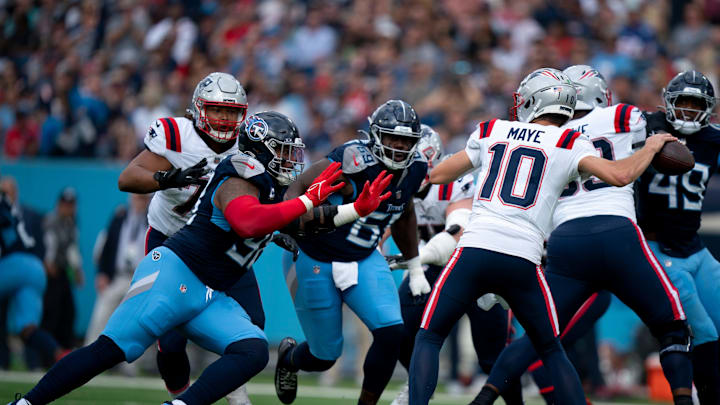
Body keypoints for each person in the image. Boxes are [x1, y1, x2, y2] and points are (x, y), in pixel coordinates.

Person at [8, 110, 389, 405]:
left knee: (253, 348)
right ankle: (27, 401)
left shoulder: (273, 183)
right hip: (176, 273)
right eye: (285, 149)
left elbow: (301, 220)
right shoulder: (239, 171)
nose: (293, 158)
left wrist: (355, 209)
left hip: (212, 291)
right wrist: (306, 199)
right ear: (261, 147)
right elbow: (248, 221)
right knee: (110, 350)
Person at [410, 68, 677, 405]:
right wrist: (651, 147)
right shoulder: (569, 141)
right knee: (551, 349)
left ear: (535, 100)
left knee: (430, 336)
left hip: (475, 249)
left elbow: (439, 173)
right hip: (523, 259)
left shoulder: (494, 129)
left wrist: (422, 177)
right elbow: (621, 174)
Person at [274, 100, 430, 405]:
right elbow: (297, 186)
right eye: (392, 138)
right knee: (324, 356)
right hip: (314, 258)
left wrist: (414, 265)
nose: (399, 147)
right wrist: (288, 220)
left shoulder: (417, 168)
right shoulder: (353, 160)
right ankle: (290, 359)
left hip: (363, 257)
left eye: (406, 141)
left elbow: (405, 210)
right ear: (375, 136)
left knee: (391, 333)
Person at [117, 72, 255, 404]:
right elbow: (128, 178)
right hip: (170, 241)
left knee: (253, 326)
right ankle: (181, 397)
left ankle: (235, 392)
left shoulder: (249, 143)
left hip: (220, 244)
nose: (224, 118)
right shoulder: (176, 134)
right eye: (217, 109)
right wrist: (167, 177)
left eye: (231, 111)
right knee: (171, 341)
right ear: (198, 109)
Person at [386, 125, 520, 405]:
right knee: (396, 330)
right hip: (431, 271)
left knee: (491, 356)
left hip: (473, 268)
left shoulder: (455, 183)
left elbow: (458, 232)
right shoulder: (394, 186)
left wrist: (412, 259)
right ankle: (419, 385)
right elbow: (378, 229)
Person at [635, 70, 720, 404]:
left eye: (694, 104)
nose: (686, 111)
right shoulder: (646, 127)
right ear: (668, 102)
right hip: (659, 247)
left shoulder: (713, 140)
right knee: (703, 332)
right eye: (681, 102)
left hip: (696, 249)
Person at [0, 182, 66, 369]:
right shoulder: (18, 210)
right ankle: (61, 355)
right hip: (35, 268)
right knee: (28, 329)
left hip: (13, 264)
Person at [85, 193, 151, 345]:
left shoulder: (152, 220)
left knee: (136, 322)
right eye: (137, 197)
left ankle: (130, 365)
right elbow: (107, 247)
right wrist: (102, 273)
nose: (140, 201)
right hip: (118, 277)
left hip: (141, 278)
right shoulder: (120, 217)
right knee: (102, 315)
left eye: (143, 198)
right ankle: (89, 353)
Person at [41, 187, 84, 349]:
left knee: (68, 312)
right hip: (51, 272)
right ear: (59, 204)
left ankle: (63, 350)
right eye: (65, 204)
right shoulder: (51, 220)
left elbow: (72, 249)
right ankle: (47, 353)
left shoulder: (72, 222)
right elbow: (49, 244)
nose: (68, 208)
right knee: (51, 313)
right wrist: (48, 262)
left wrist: (77, 270)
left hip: (63, 273)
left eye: (71, 204)